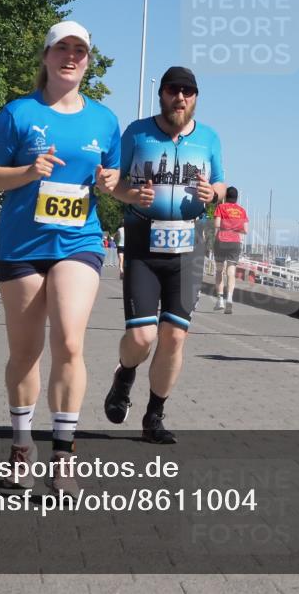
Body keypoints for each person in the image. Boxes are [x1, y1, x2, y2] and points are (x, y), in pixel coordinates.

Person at [0, 20, 120, 493]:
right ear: (45, 56)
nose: (71, 56)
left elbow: (113, 178)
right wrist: (27, 171)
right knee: (25, 352)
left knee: (71, 341)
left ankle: (64, 451)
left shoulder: (104, 120)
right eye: (62, 48)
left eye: (80, 50)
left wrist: (110, 185)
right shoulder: (18, 114)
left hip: (79, 240)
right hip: (22, 245)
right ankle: (22, 445)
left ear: (87, 60)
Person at [103, 66, 225, 443]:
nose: (181, 97)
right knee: (141, 338)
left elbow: (221, 181)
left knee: (174, 338)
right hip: (143, 241)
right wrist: (129, 194)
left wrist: (214, 194)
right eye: (174, 90)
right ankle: (124, 374)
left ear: (195, 97)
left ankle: (154, 416)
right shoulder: (137, 133)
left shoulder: (208, 138)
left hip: (188, 248)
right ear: (162, 94)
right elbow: (112, 182)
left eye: (188, 91)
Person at [213, 186, 248, 314]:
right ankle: (230, 299)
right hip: (235, 242)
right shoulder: (242, 211)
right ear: (236, 198)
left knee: (219, 271)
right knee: (231, 272)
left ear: (226, 196)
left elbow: (217, 224)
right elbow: (246, 230)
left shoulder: (221, 207)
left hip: (221, 241)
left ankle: (220, 300)